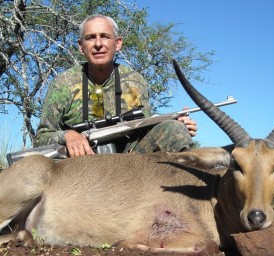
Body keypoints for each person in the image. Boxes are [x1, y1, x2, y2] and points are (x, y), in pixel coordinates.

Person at [35, 14, 197, 157]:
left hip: (129, 162)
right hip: (81, 165)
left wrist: (178, 125)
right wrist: (68, 136)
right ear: (80, 46)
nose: (98, 44)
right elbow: (41, 138)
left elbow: (145, 128)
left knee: (174, 129)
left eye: (105, 36)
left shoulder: (135, 81)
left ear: (117, 43)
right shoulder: (63, 83)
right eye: (90, 37)